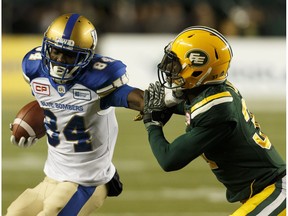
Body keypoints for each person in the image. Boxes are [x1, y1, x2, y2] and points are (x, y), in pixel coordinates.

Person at [7, 13, 144, 216]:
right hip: (52, 177)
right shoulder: (35, 70)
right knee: (15, 212)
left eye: (69, 55)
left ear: (86, 56)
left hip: (89, 180)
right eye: (56, 52)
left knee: (52, 212)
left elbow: (139, 99)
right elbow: (55, 109)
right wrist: (33, 129)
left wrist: (164, 104)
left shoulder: (98, 81)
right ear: (47, 47)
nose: (60, 60)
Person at [142, 26, 286, 215]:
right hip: (264, 192)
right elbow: (191, 109)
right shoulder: (213, 91)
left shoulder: (216, 108)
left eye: (175, 64)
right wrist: (166, 105)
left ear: (197, 68)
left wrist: (153, 124)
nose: (168, 69)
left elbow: (169, 159)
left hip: (276, 191)